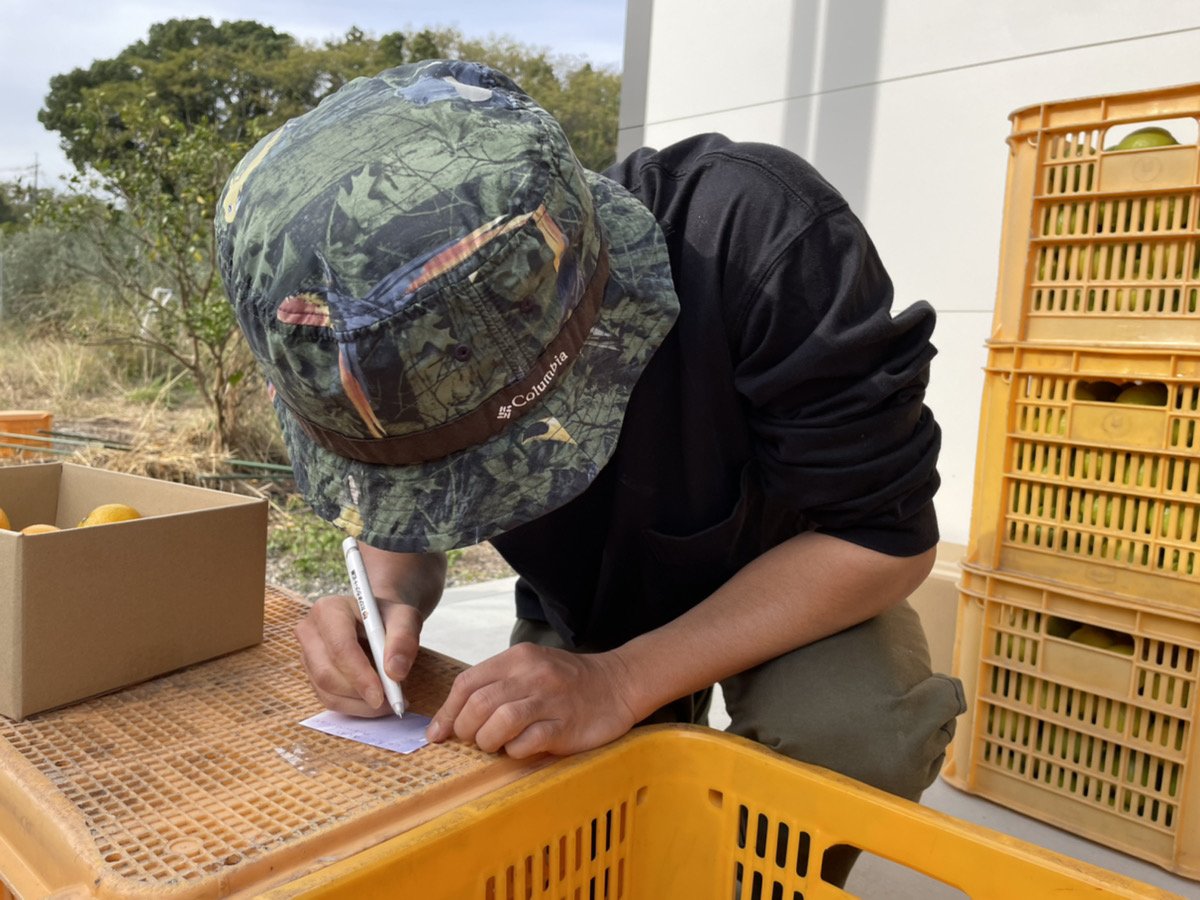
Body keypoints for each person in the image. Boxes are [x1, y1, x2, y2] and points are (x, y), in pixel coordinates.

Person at [216, 59, 965, 881]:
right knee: (541, 783)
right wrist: (388, 600)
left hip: (799, 569)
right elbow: (403, 526)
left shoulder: (752, 236)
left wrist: (622, 680)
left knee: (848, 738)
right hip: (587, 593)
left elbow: (882, 537)